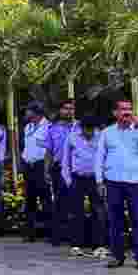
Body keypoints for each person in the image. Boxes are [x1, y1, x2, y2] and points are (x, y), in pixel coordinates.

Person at [95, 98, 138, 269]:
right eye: (123, 109)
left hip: (135, 182)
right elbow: (99, 157)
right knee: (115, 221)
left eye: (129, 109)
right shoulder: (107, 132)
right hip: (113, 182)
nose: (127, 112)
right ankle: (117, 256)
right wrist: (99, 180)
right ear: (115, 113)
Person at [61, 115, 108, 259]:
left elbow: (105, 158)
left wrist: (103, 180)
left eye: (91, 129)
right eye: (86, 129)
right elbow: (65, 161)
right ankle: (76, 245)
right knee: (76, 212)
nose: (89, 132)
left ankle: (99, 245)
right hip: (77, 178)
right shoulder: (72, 137)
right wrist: (68, 180)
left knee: (98, 211)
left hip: (96, 179)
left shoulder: (101, 137)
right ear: (81, 128)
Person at [46, 99, 78, 247]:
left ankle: (75, 236)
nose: (68, 111)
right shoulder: (53, 129)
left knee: (75, 202)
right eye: (66, 108)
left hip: (75, 169)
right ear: (60, 111)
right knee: (59, 201)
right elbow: (49, 151)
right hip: (58, 169)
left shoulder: (80, 127)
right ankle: (57, 236)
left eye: (71, 109)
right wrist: (46, 170)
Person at [21, 102, 52, 243]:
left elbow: (49, 149)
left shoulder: (48, 127)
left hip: (41, 166)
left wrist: (47, 169)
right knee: (30, 200)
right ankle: (30, 233)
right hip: (29, 166)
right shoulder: (28, 127)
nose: (26, 113)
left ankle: (50, 232)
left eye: (28, 110)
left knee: (45, 200)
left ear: (36, 112)